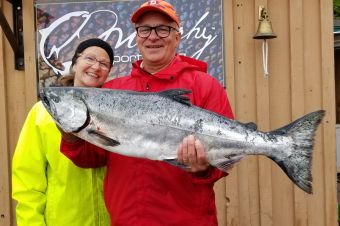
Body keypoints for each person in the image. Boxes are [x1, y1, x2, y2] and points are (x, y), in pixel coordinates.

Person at [60, 1, 236, 225]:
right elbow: (93, 157)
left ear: (177, 37)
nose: (153, 37)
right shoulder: (113, 90)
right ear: (136, 37)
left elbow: (225, 157)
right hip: (126, 220)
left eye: (163, 28)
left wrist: (204, 169)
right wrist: (71, 138)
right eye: (144, 29)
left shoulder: (205, 86)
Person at [12, 38, 114, 226]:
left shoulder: (115, 115)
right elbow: (28, 181)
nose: (95, 66)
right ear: (75, 63)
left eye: (103, 63)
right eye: (89, 58)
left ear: (108, 72)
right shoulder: (42, 113)